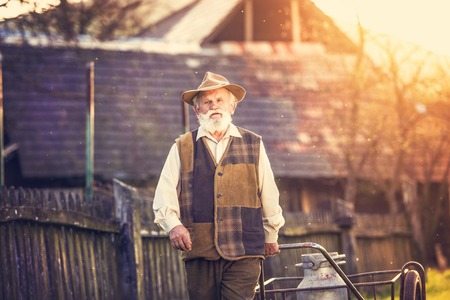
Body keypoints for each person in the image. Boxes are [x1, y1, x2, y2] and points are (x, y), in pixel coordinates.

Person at [153, 71, 285, 299]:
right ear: (198, 110)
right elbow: (164, 194)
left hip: (245, 248)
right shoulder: (182, 147)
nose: (214, 106)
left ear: (232, 107)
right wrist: (173, 225)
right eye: (207, 102)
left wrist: (271, 234)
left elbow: (268, 193)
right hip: (199, 249)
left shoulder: (253, 144)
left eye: (220, 100)